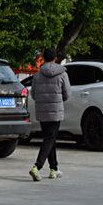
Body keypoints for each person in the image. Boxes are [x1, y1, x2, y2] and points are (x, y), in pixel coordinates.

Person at [29, 49, 69, 181]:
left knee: (49, 138)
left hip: (42, 110)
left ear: (44, 58)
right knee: (49, 139)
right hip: (56, 110)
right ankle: (37, 166)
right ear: (55, 58)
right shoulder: (62, 74)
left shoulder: (37, 75)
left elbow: (33, 94)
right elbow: (67, 94)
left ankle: (54, 169)